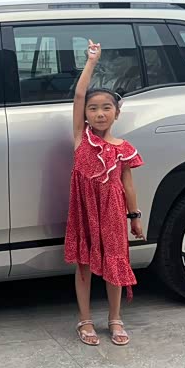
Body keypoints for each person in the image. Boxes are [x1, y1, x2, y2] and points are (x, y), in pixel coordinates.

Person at [64, 40, 145, 347]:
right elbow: (78, 94)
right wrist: (92, 62)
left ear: (117, 113)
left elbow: (128, 185)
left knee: (114, 261)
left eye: (106, 108)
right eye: (93, 109)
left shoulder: (123, 148)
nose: (100, 114)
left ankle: (115, 318)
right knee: (83, 264)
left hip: (112, 212)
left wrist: (134, 217)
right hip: (85, 209)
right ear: (85, 114)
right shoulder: (81, 138)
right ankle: (84, 320)